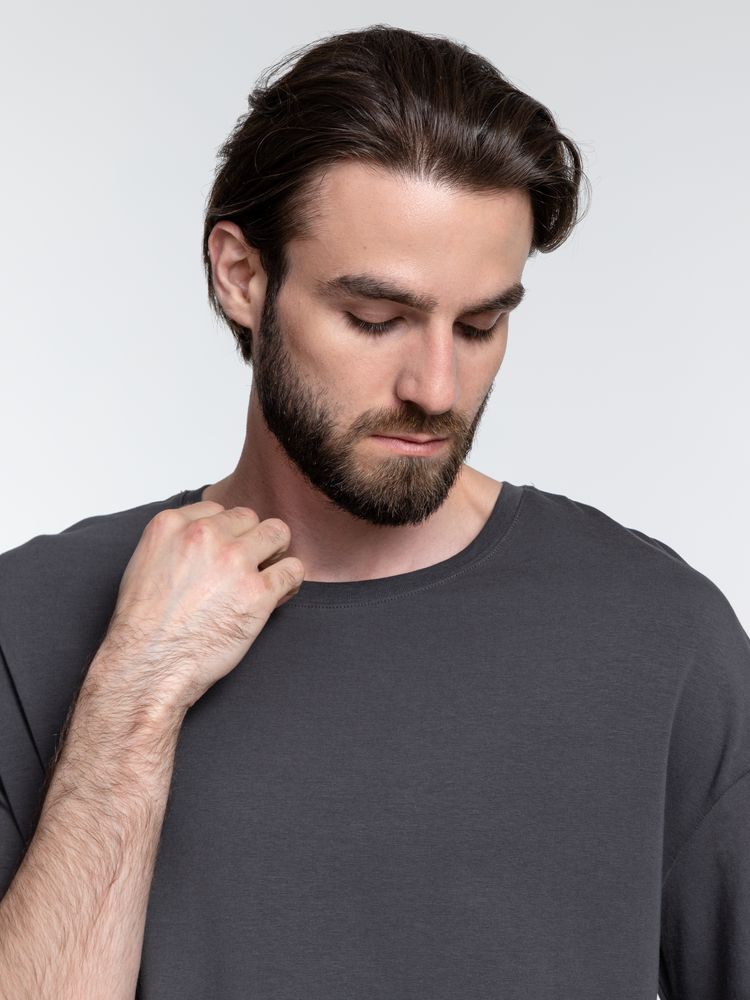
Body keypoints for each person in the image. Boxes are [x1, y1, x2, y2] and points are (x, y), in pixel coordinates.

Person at [0, 23, 747, 1000]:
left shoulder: (660, 637)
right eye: (376, 318)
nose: (436, 387)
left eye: (480, 324)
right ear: (241, 276)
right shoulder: (32, 625)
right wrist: (133, 699)